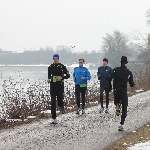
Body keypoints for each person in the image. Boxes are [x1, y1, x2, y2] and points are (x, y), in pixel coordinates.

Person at [109, 56, 135, 131]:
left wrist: (110, 87)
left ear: (120, 62)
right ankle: (121, 124)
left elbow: (110, 78)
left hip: (116, 90)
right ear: (125, 63)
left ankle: (117, 105)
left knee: (117, 101)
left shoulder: (115, 70)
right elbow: (131, 84)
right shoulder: (128, 72)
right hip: (123, 91)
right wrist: (132, 84)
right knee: (124, 107)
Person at [47, 54, 70, 124]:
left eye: (56, 58)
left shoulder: (62, 67)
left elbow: (68, 75)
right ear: (53, 59)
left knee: (60, 102)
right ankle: (54, 118)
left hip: (60, 87)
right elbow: (49, 76)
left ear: (58, 59)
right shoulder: (50, 67)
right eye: (54, 58)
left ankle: (62, 106)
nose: (55, 59)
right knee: (53, 102)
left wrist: (61, 78)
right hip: (53, 87)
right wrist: (49, 80)